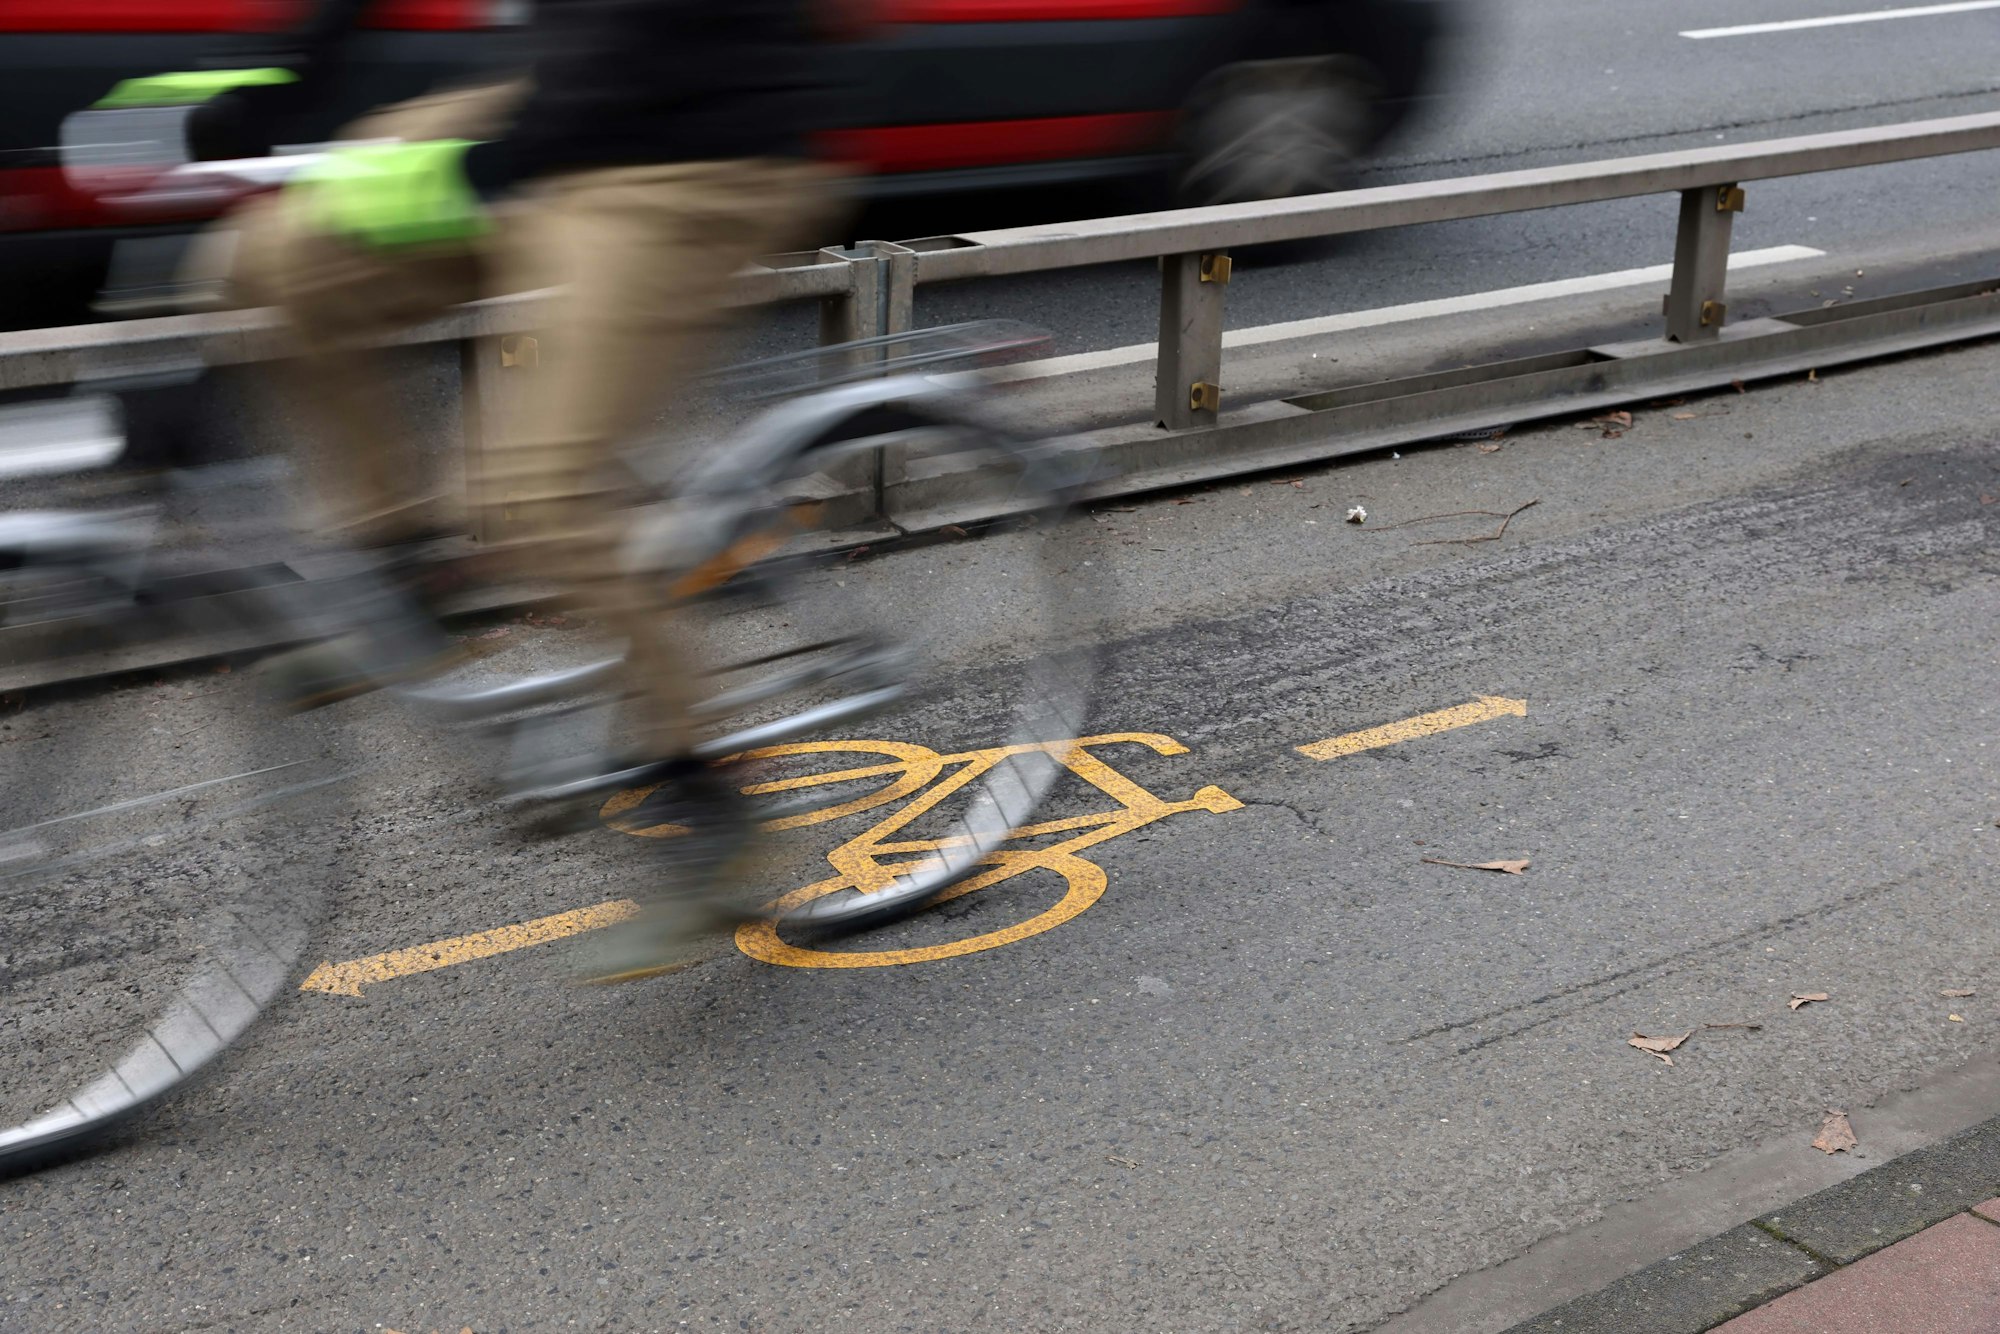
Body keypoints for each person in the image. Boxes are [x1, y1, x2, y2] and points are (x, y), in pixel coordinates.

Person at [99, 0, 851, 982]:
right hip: (553, 120)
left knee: (529, 492)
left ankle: (707, 793)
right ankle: (398, 557)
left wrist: (494, 136)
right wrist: (262, 91)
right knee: (273, 259)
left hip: (691, 156)